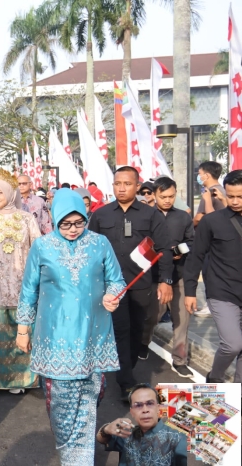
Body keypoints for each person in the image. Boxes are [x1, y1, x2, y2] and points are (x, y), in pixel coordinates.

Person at [17, 188, 125, 464]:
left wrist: (113, 296)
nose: (73, 229)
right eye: (66, 223)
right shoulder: (42, 246)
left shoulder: (100, 243)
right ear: (55, 219)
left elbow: (117, 280)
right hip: (54, 338)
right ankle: (74, 456)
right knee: (61, 406)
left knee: (91, 399)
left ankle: (79, 457)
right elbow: (29, 290)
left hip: (93, 335)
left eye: (79, 222)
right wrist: (23, 328)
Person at [88, 166, 173, 401]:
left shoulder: (150, 215)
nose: (121, 188)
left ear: (137, 186)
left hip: (141, 284)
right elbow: (89, 250)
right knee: (121, 330)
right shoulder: (101, 215)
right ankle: (126, 382)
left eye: (127, 184)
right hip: (111, 286)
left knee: (139, 331)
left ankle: (128, 367)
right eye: (117, 184)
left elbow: (164, 248)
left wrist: (165, 281)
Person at [0, 177, 40, 395]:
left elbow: (37, 249)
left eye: (0, 192)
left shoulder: (27, 219)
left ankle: (18, 378)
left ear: (10, 193)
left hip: (21, 284)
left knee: (18, 331)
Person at [185, 170, 242, 383]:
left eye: (240, 196)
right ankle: (215, 377)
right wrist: (190, 292)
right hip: (222, 291)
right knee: (233, 344)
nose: (235, 201)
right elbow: (195, 257)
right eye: (231, 196)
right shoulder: (212, 221)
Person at [141, 177, 195, 379]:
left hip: (179, 274)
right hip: (154, 276)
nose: (167, 200)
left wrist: (180, 251)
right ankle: (143, 342)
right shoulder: (146, 216)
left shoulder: (183, 217)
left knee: (181, 320)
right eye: (163, 196)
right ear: (154, 195)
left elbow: (191, 241)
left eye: (171, 196)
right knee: (152, 316)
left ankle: (180, 360)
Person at [97, 383, 188, 465]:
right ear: (132, 412)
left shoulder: (177, 439)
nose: (145, 410)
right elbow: (101, 439)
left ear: (158, 409)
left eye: (150, 404)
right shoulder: (127, 434)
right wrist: (106, 429)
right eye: (138, 405)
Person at [194, 161, 225, 228]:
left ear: (207, 176)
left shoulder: (209, 193)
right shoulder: (222, 190)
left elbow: (198, 218)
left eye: (199, 174)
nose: (198, 177)